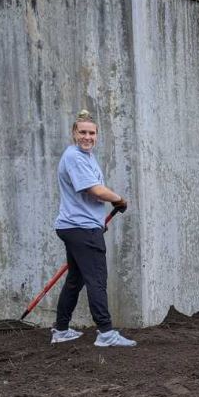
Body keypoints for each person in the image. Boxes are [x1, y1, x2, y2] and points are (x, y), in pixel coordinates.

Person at [51, 110, 137, 347]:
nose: (87, 137)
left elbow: (92, 193)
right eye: (83, 132)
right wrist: (119, 199)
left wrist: (97, 222)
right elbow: (96, 190)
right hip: (81, 227)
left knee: (76, 279)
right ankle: (106, 333)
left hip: (80, 226)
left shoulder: (86, 156)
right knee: (97, 279)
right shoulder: (75, 157)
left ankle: (60, 329)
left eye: (92, 133)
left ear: (97, 135)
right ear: (73, 133)